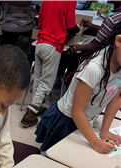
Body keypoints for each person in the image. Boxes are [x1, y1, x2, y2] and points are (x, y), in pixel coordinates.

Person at [34, 23, 121, 153]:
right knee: (55, 157)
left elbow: (115, 99)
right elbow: (77, 111)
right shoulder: (94, 68)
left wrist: (105, 130)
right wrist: (95, 142)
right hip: (66, 119)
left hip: (87, 120)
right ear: (118, 40)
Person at [21, 0, 79, 128]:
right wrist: (77, 29)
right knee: (47, 82)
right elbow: (70, 26)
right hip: (53, 45)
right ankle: (30, 112)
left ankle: (36, 106)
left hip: (40, 43)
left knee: (38, 78)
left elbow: (40, 22)